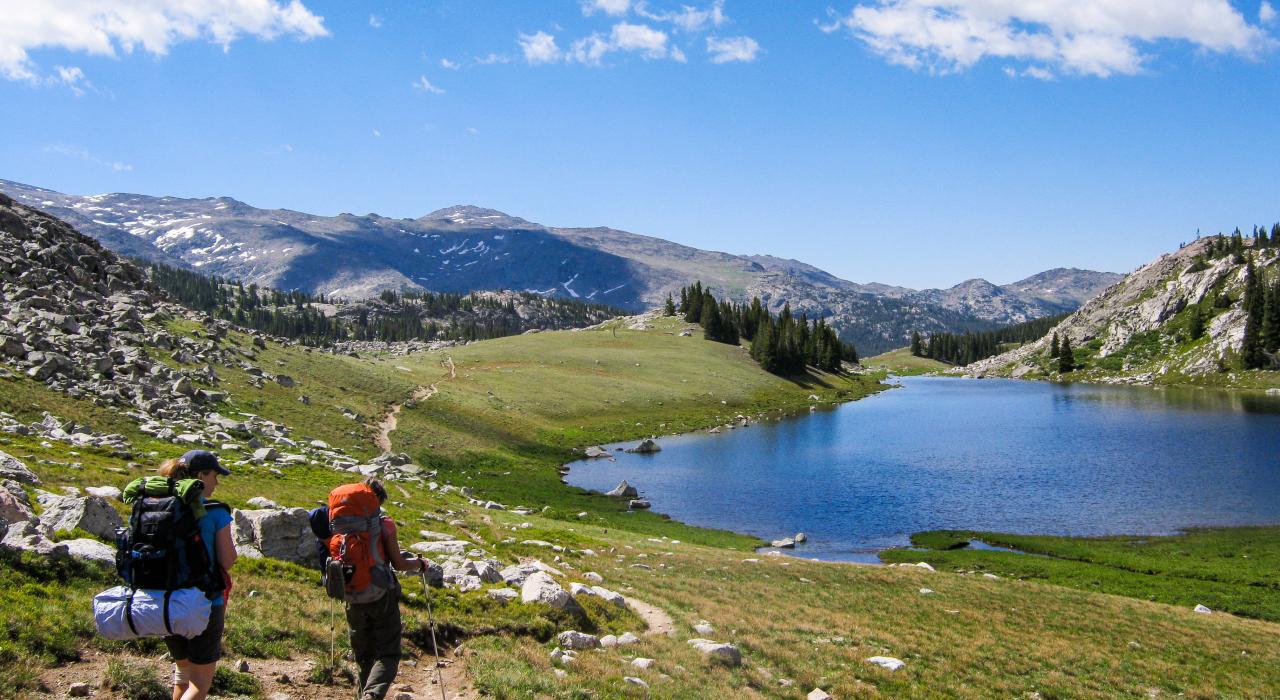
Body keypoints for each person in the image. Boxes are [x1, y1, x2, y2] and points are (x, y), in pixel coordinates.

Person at [317, 477, 428, 700]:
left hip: (351, 595)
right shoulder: (384, 524)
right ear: (376, 500)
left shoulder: (339, 521)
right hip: (379, 594)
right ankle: (373, 695)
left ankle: (364, 695)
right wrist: (420, 564)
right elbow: (398, 563)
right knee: (388, 652)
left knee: (363, 656)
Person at [157, 450, 237, 700]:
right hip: (204, 604)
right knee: (199, 685)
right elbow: (227, 560)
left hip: (166, 602)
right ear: (201, 476)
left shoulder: (160, 507)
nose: (216, 482)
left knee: (183, 675)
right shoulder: (216, 512)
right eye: (214, 475)